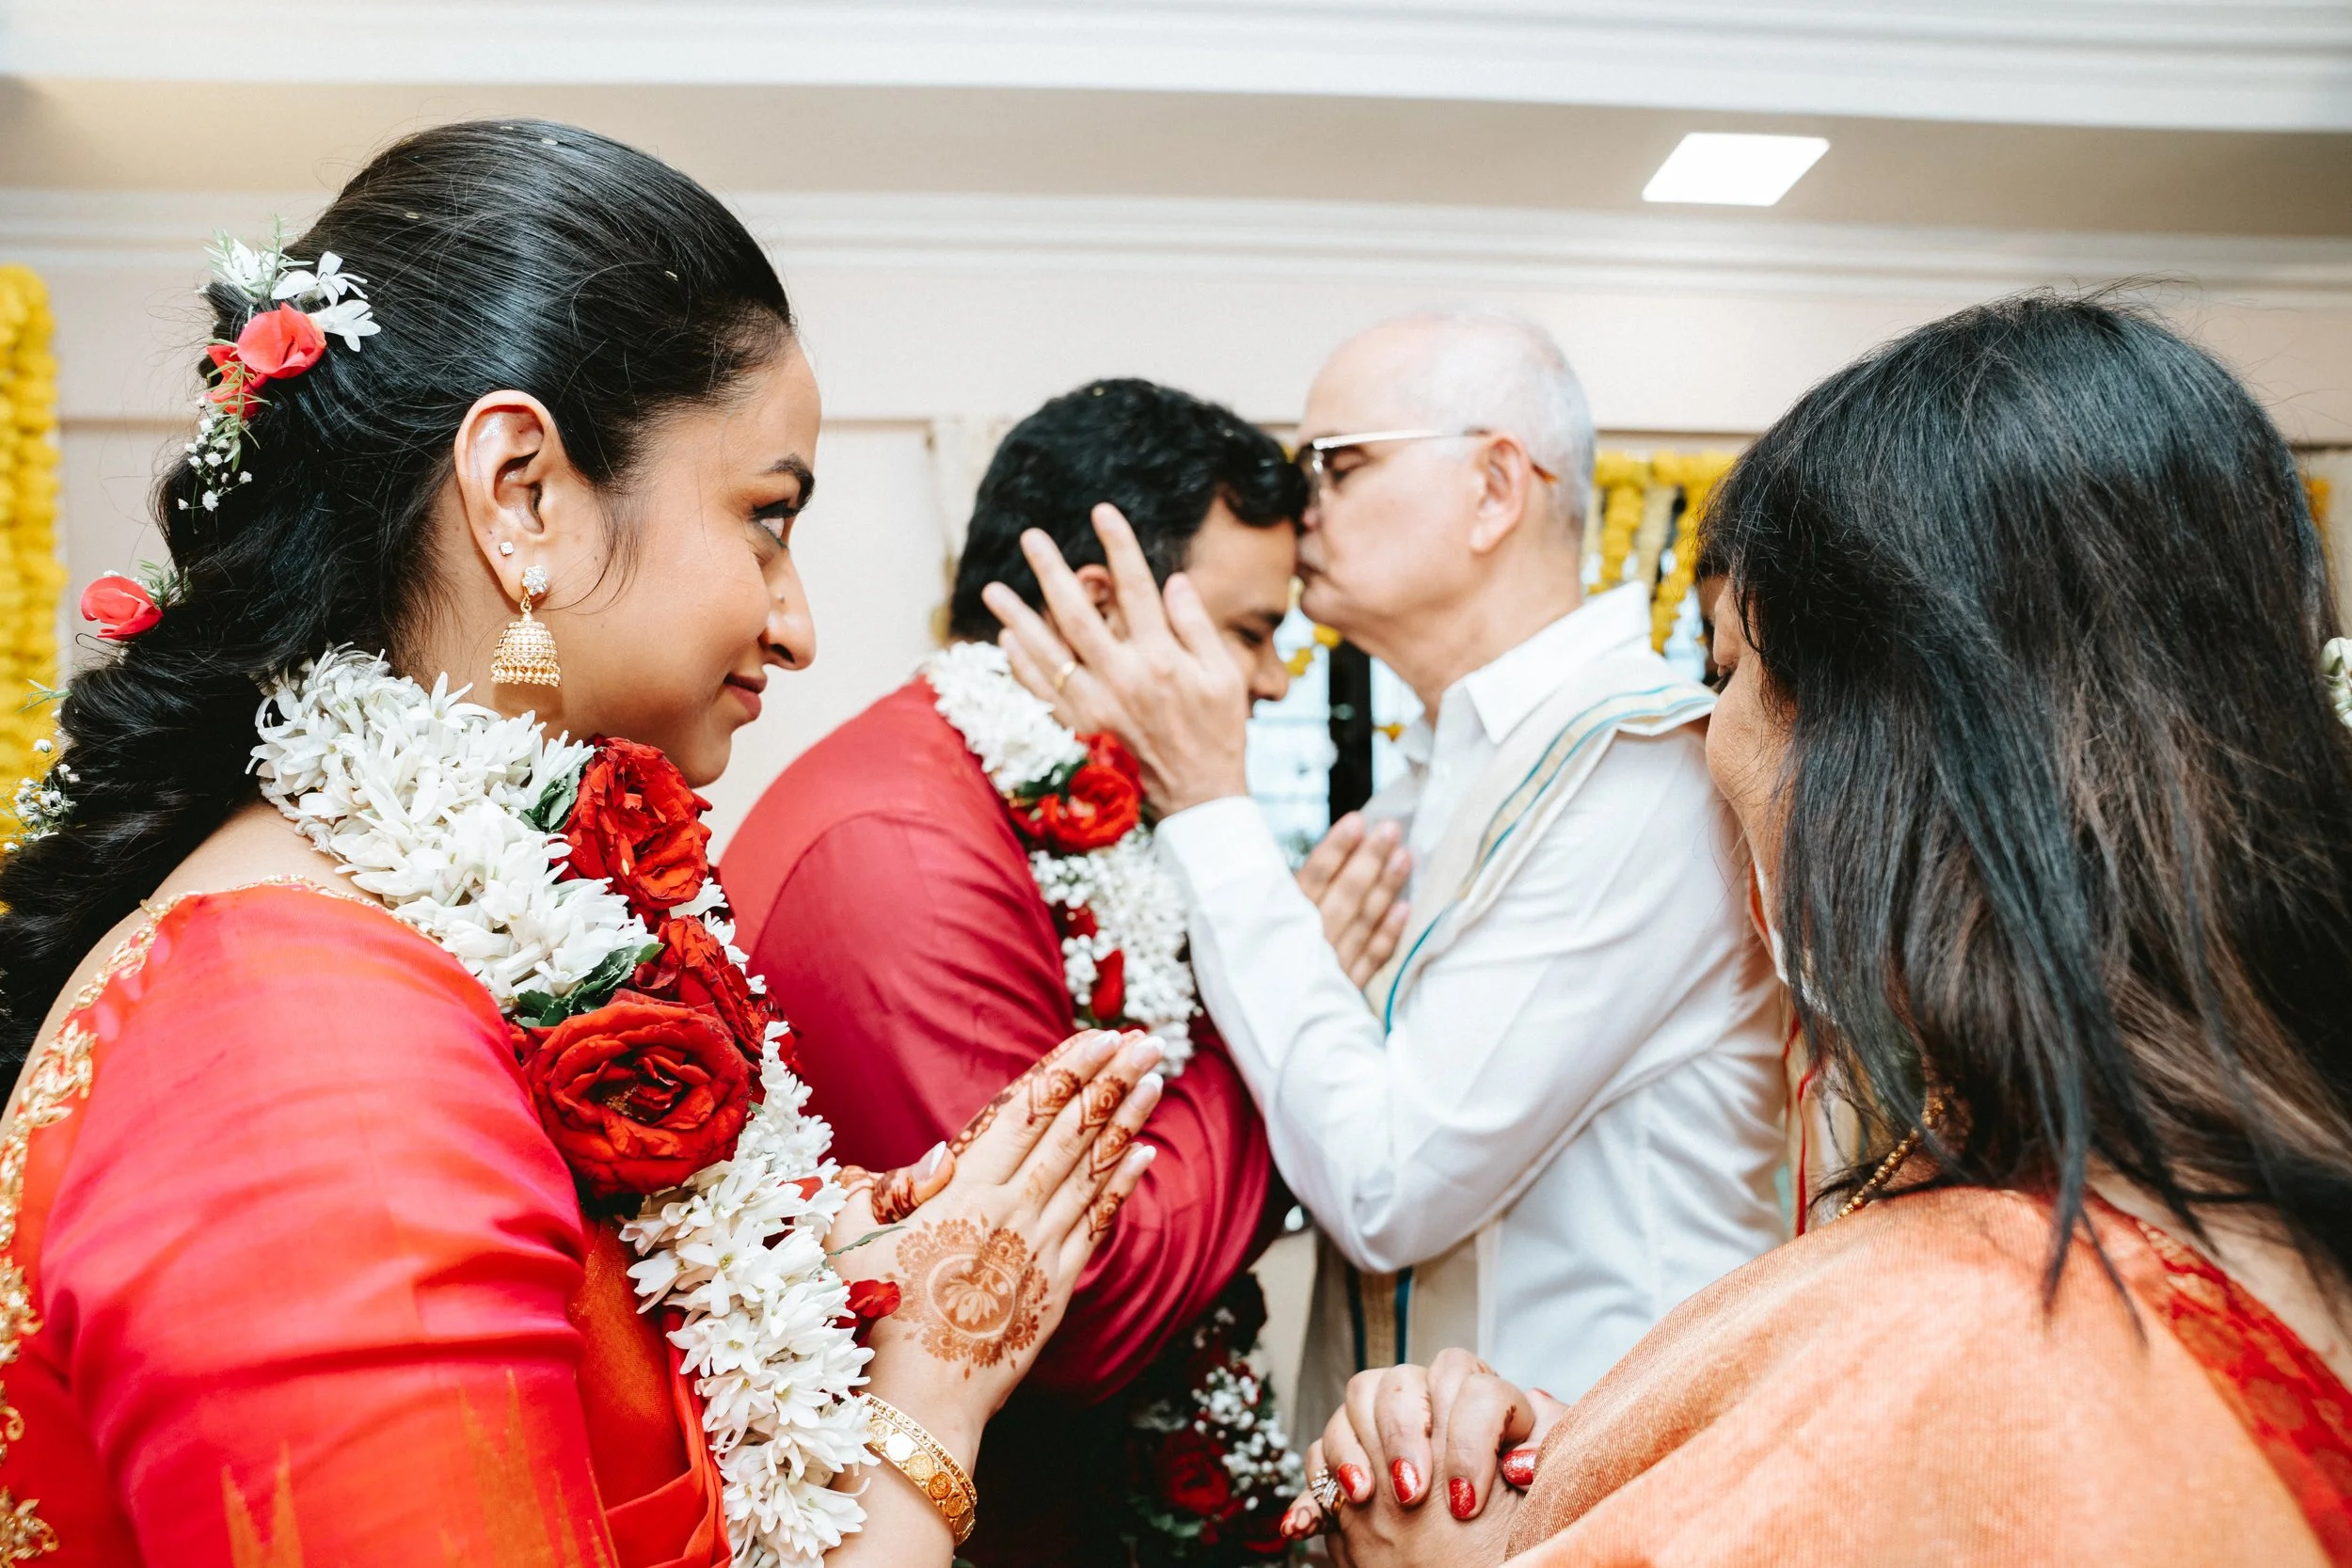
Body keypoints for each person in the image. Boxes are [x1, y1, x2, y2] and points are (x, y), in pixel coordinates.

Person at [0, 119, 1163, 1567]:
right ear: (524, 496)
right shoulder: (306, 1060)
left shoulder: (409, 952)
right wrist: (928, 1403)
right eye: (766, 517)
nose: (797, 622)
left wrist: (829, 1263)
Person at [1293, 293, 2352, 1565]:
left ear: (1884, 756)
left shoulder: (1975, 1332)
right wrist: (1588, 1463)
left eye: (1731, 666)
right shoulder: (2215, 1211)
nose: (1709, 730)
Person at [985, 310, 1788, 1470]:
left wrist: (1211, 802)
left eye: (1340, 462)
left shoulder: (1640, 768)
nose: (1299, 503)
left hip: (1598, 1489)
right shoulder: (1438, 768)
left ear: (1493, 486)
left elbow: (1385, 1184)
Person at [722, 377, 1406, 1564]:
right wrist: (1284, 1015)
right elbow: (1073, 1314)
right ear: (1101, 605)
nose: (1280, 682)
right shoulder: (903, 848)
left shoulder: (1071, 806)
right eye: (1252, 633)